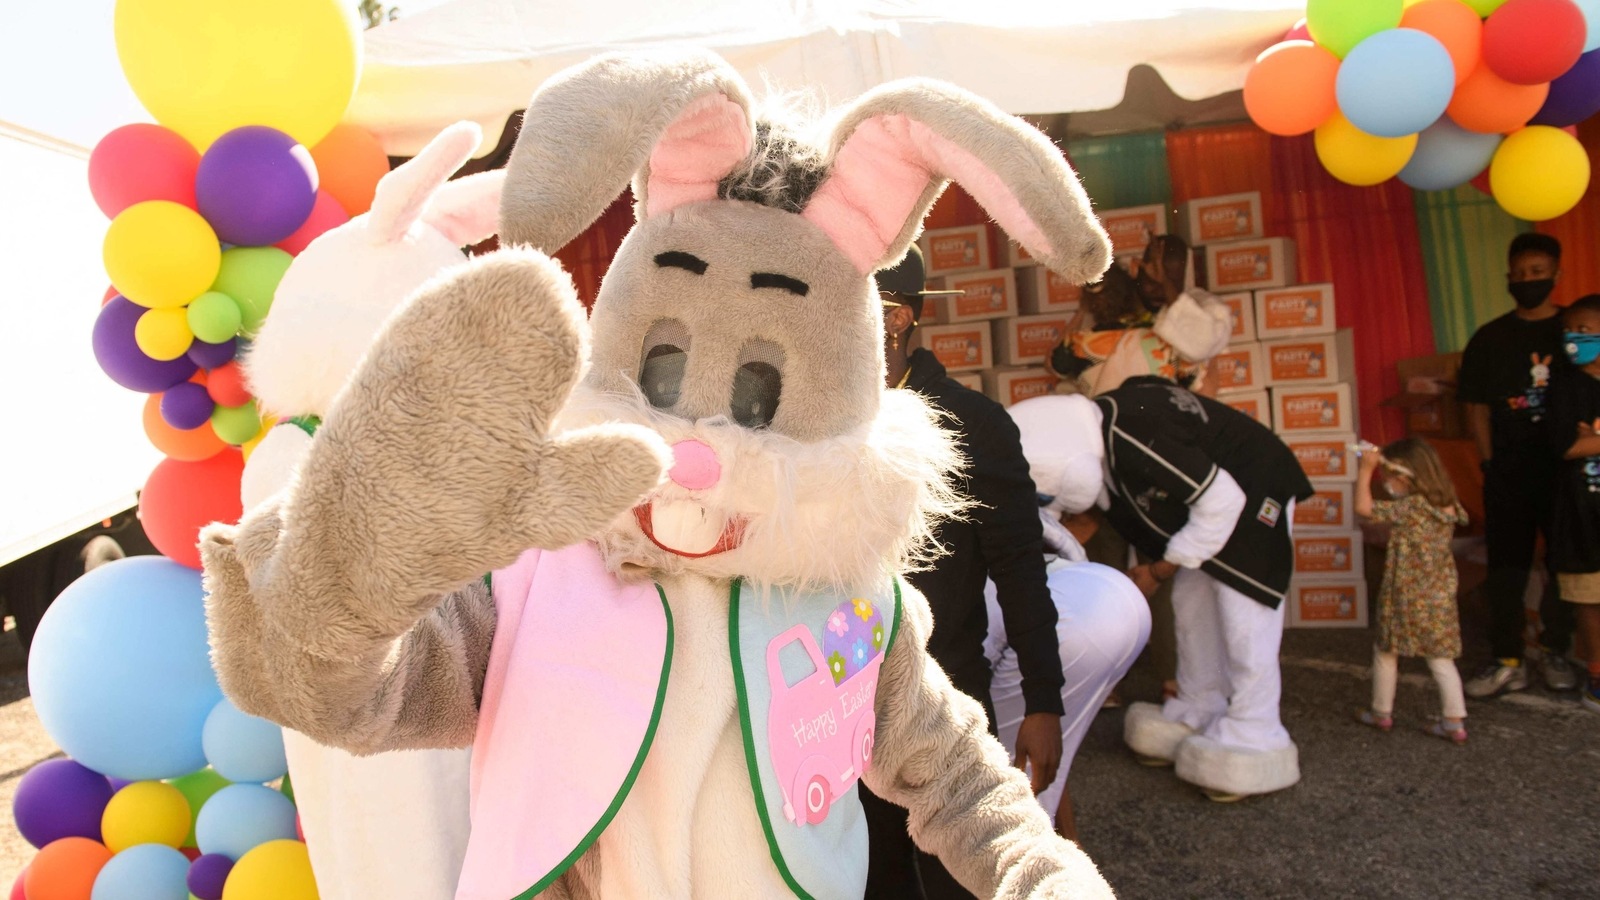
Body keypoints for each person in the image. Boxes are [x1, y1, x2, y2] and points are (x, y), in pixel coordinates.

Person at [865, 244, 1067, 898]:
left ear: (900, 319)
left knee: (958, 875)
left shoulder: (973, 424)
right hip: (839, 701)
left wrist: (1043, 700)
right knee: (869, 877)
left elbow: (1020, 568)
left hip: (944, 692)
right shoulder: (817, 422)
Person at [1016, 381, 1312, 799]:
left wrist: (1156, 571)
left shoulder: (1132, 431)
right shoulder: (1106, 438)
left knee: (1244, 614)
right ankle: (1198, 706)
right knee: (1192, 610)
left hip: (1253, 491)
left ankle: (1255, 729)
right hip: (1206, 516)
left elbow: (1223, 500)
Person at [986, 394, 1152, 839]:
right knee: (1035, 775)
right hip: (1106, 598)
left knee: (1000, 793)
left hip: (1066, 610)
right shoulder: (1038, 502)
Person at [1459, 233, 1578, 697]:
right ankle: (1507, 657)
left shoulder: (1577, 330)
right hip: (1508, 471)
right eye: (1521, 274)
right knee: (1507, 567)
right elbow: (1475, 408)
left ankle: (1555, 651)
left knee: (1564, 564)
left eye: (1538, 273)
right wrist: (1490, 463)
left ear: (1555, 274)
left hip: (1566, 472)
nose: (1529, 281)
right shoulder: (1490, 338)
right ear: (1508, 277)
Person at [1353, 439, 1470, 743]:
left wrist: (1365, 471)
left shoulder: (1413, 507)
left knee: (1386, 650)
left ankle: (1381, 713)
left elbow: (1363, 508)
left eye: (1388, 476)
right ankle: (1454, 721)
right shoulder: (1447, 503)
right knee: (1441, 658)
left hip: (1404, 593)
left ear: (1405, 477)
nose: (1387, 483)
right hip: (1438, 593)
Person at [1547, 294, 1600, 714]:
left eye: (1583, 331)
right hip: (1581, 512)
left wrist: (1591, 440)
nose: (1573, 338)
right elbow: (1565, 445)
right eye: (1570, 330)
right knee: (1588, 597)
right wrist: (1580, 441)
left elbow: (1583, 442)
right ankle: (1597, 675)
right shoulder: (1565, 387)